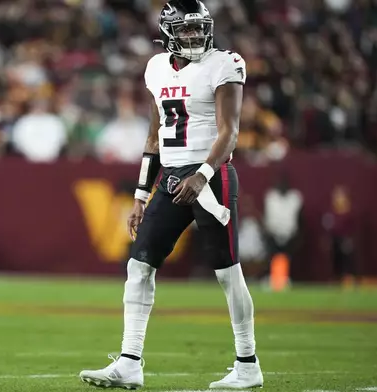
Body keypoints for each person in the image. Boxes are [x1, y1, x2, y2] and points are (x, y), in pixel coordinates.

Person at [79, 0, 263, 389]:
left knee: (228, 272)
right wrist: (141, 195)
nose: (195, 35)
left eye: (199, 28)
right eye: (186, 30)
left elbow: (229, 133)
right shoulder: (156, 68)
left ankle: (247, 363)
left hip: (211, 176)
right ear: (169, 32)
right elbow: (153, 136)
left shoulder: (224, 63)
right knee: (140, 263)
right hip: (171, 177)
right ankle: (130, 361)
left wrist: (203, 174)